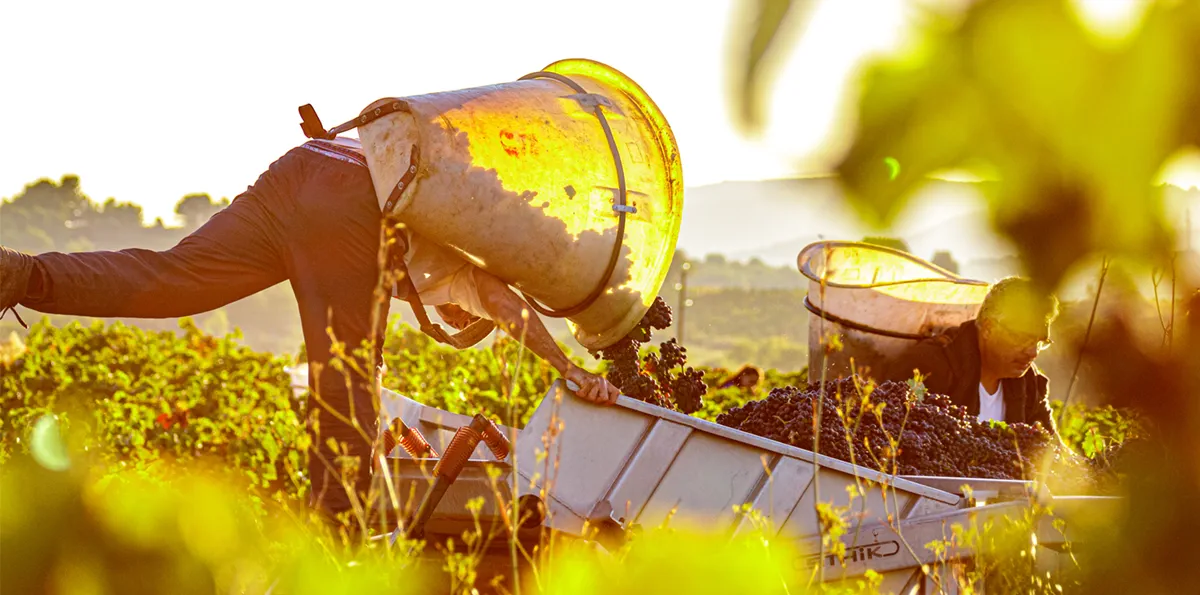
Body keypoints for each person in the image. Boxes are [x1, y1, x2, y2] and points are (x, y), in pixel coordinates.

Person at [0, 135, 619, 526]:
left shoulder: (443, 224)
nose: (460, 317)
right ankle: (337, 541)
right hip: (347, 197)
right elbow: (506, 310)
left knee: (171, 279)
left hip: (304, 165)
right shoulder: (468, 270)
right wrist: (570, 371)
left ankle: (22, 275)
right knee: (348, 376)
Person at [881, 276, 1061, 437]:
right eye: (1023, 338)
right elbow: (895, 435)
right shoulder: (928, 367)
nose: (1033, 352)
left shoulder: (1030, 383)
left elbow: (1053, 450)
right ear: (989, 328)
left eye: (1040, 342)